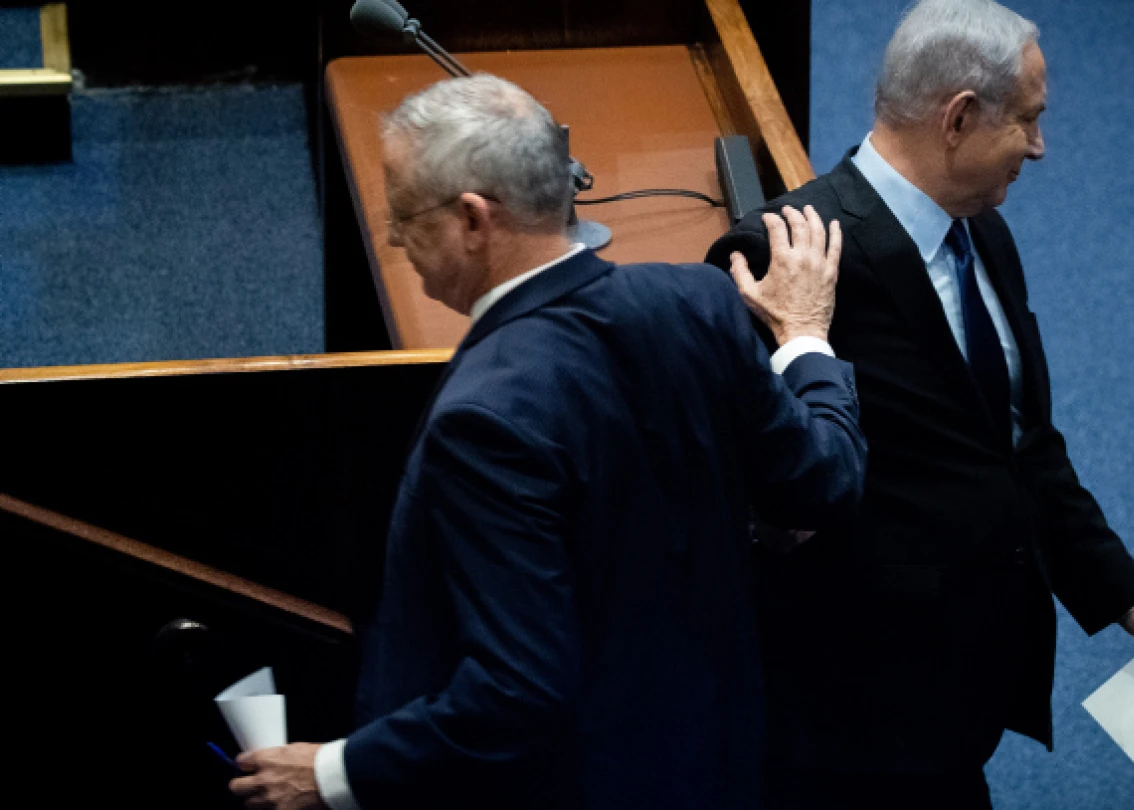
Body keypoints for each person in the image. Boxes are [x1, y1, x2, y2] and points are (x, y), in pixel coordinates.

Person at [229, 73, 865, 810]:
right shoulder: (696, 302)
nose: (396, 237)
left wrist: (332, 774)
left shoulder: (485, 418)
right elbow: (822, 479)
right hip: (713, 766)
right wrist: (806, 340)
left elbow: (517, 690)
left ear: (474, 219)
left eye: (402, 215)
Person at [706, 1, 1134, 807]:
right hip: (844, 726)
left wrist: (1128, 596)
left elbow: (1021, 446)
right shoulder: (783, 256)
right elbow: (747, 496)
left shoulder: (982, 232)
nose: (1040, 146)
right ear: (958, 118)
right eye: (1028, 120)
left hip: (954, 698)